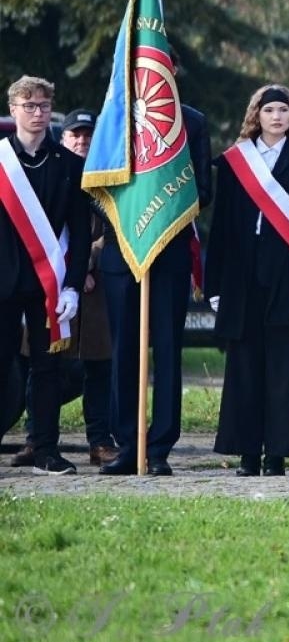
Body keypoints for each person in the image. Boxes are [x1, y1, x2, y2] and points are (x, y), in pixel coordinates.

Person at [207, 85, 289, 476]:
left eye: (284, 110)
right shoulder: (233, 163)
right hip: (241, 280)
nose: (277, 117)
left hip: (286, 280)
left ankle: (276, 453)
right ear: (255, 115)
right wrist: (215, 287)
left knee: (281, 368)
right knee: (243, 368)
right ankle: (246, 454)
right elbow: (219, 230)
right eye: (269, 110)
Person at [97, 102, 212, 477]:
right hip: (123, 252)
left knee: (167, 351)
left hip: (170, 251)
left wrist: (160, 214)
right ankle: (128, 444)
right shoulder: (112, 119)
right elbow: (94, 184)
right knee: (124, 351)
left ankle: (159, 446)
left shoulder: (192, 123)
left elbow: (204, 191)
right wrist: (132, 217)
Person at [0, 77, 91, 475]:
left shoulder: (69, 164)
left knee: (47, 367)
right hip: (2, 280)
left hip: (48, 283)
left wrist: (71, 284)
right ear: (14, 109)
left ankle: (45, 449)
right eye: (29, 105)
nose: (37, 113)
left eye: (43, 105)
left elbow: (82, 232)